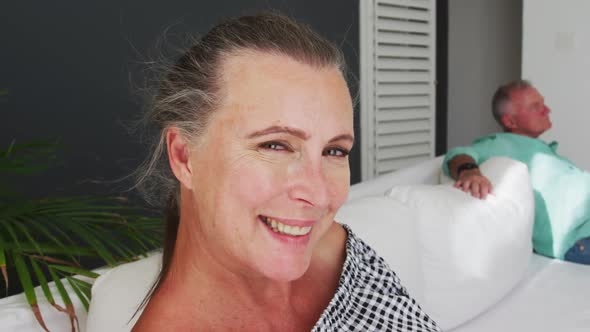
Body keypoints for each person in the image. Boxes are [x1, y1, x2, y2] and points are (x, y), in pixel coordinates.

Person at [132, 12, 440, 331]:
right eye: (275, 145)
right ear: (184, 157)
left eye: (335, 150)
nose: (319, 197)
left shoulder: (337, 251)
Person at [443, 79, 590, 265]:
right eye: (536, 107)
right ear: (510, 121)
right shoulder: (498, 145)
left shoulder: (540, 149)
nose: (547, 110)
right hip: (578, 236)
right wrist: (469, 171)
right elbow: (458, 154)